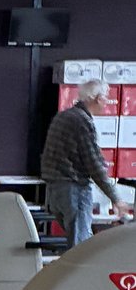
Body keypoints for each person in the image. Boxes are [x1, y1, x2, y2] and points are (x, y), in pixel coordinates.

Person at [41, 79, 129, 250]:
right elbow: (93, 164)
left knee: (75, 244)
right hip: (75, 190)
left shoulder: (62, 116)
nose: (107, 103)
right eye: (106, 98)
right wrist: (116, 199)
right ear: (97, 98)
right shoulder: (82, 122)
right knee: (80, 248)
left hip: (55, 191)